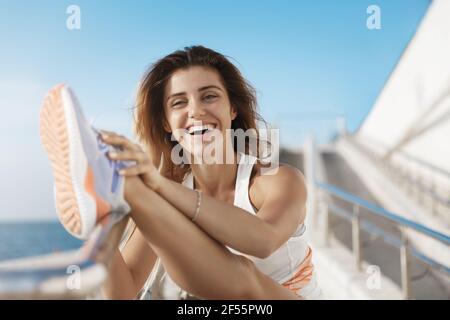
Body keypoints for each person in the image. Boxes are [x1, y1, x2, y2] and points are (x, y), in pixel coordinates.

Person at [39, 45, 321, 300]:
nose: (196, 111)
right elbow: (124, 294)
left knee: (244, 275)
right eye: (178, 103)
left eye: (209, 96)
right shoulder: (168, 193)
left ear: (232, 108)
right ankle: (103, 190)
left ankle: (116, 182)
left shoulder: (274, 180)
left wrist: (155, 186)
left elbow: (263, 241)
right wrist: (102, 222)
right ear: (165, 122)